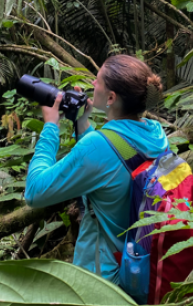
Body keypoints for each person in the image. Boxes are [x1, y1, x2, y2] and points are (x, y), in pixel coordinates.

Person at [24, 54, 166, 285]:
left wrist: (50, 126)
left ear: (111, 97)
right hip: (138, 268)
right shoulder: (155, 132)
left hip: (103, 281)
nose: (92, 85)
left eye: (97, 81)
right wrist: (82, 123)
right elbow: (119, 158)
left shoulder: (98, 146)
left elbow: (35, 191)